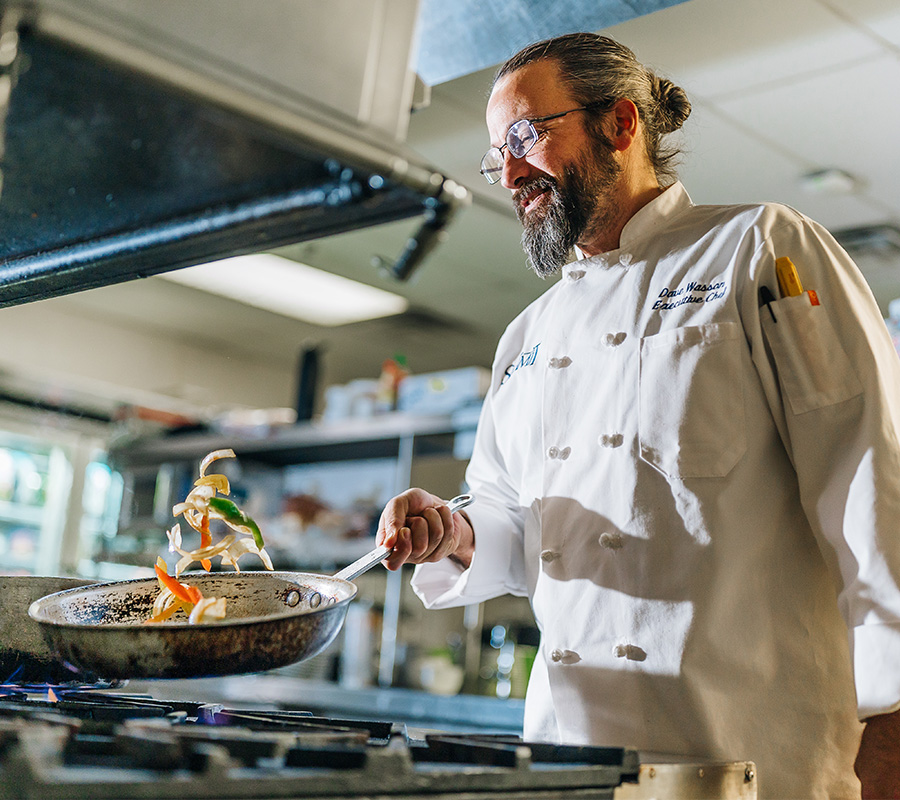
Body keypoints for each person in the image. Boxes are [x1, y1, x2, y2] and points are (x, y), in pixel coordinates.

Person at [377, 32, 900, 799]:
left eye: (527, 135)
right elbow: (517, 520)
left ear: (620, 124)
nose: (511, 171)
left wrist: (893, 708)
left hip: (751, 751)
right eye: (497, 155)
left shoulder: (756, 248)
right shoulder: (527, 335)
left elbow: (870, 475)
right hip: (569, 757)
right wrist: (456, 532)